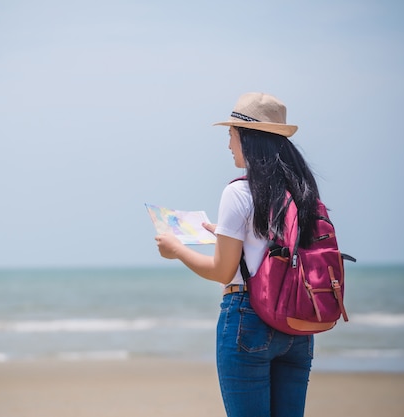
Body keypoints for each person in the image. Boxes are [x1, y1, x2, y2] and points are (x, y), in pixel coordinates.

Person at [155, 92, 318, 417]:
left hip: (248, 318)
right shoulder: (299, 191)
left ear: (248, 137)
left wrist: (178, 250)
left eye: (231, 135)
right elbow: (274, 249)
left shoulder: (239, 191)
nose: (228, 145)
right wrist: (226, 233)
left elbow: (221, 270)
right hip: (296, 325)